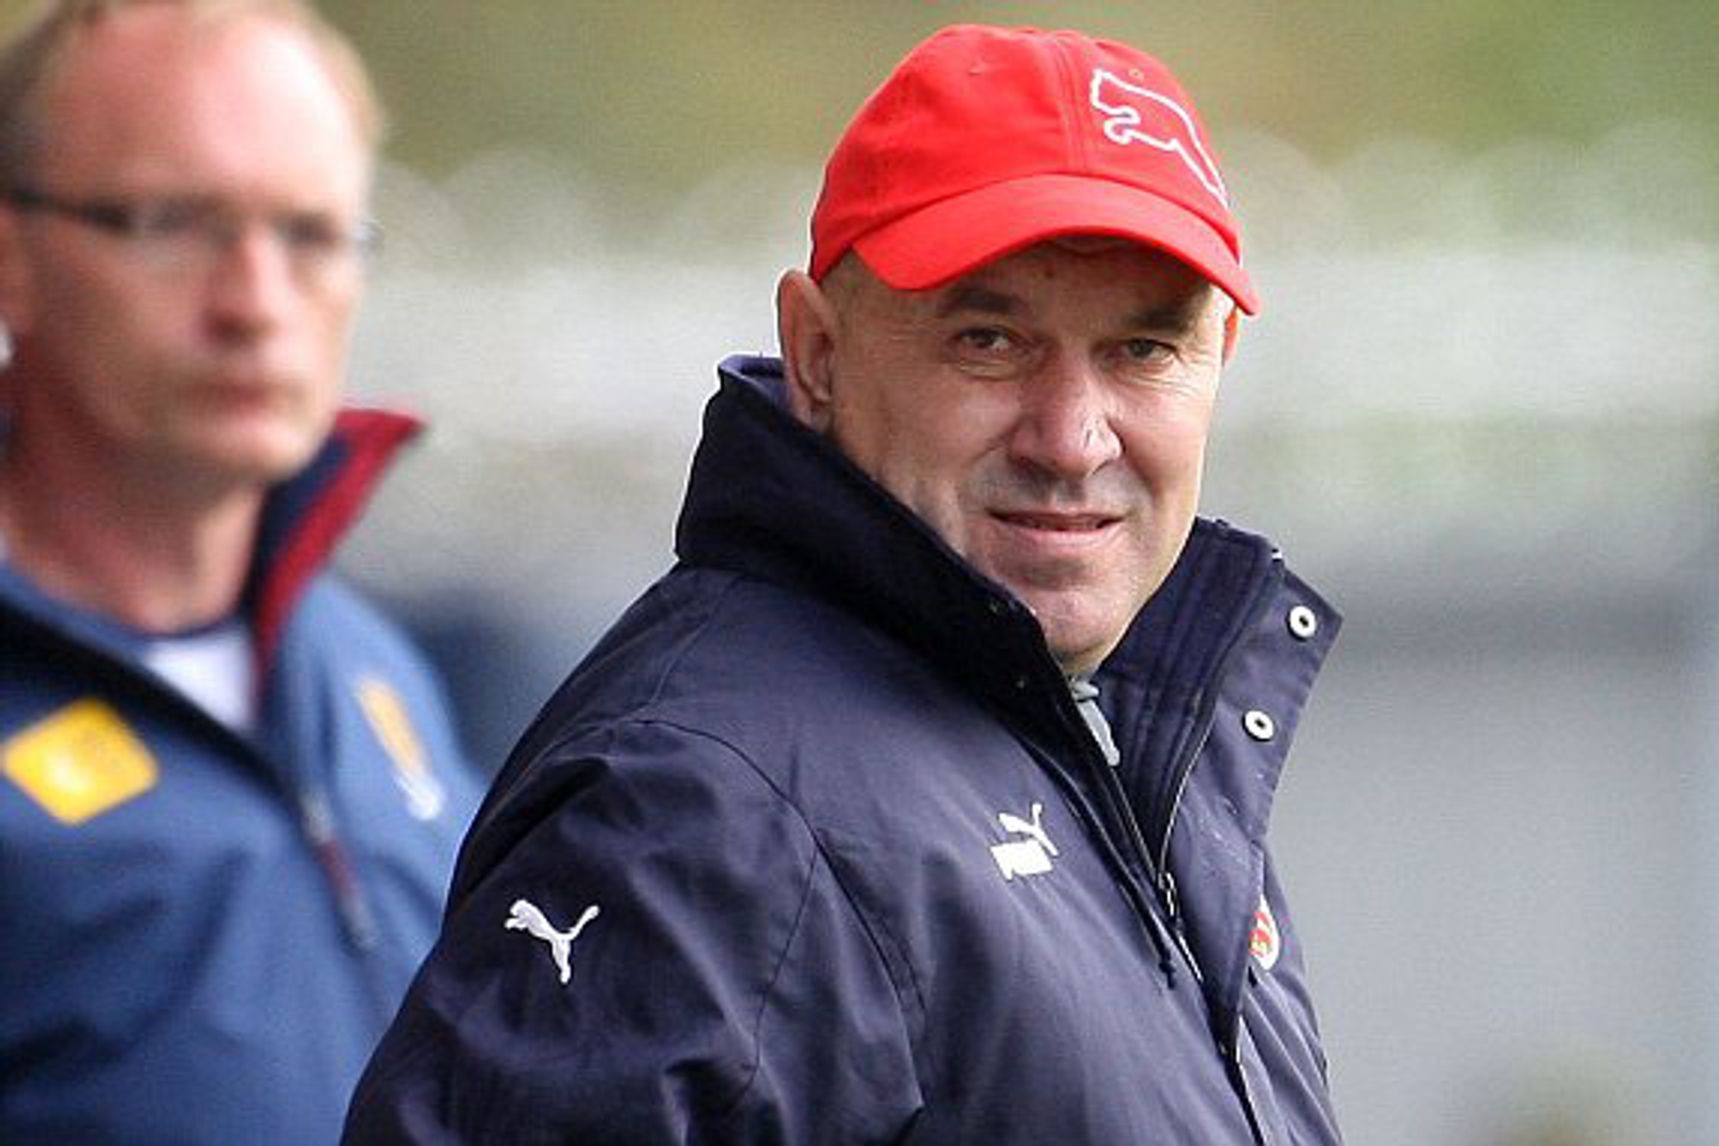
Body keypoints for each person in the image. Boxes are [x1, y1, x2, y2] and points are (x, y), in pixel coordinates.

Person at [346, 23, 1344, 1145]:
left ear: (1219, 361)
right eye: (989, 340)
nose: (1072, 439)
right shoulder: (699, 813)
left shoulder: (1125, 748)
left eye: (1144, 351)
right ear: (817, 356)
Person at [0, 2, 483, 1141]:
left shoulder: (369, 669)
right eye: (173, 223)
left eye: (312, 234)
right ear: (10, 259)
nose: (255, 303)